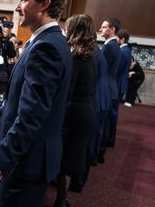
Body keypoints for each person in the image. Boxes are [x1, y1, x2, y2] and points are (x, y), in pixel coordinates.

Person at [0, 0, 72, 207]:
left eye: (23, 0)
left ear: (44, 4)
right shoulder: (50, 41)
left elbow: (32, 115)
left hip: (25, 161)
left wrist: (1, 159)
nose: (17, 7)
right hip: (32, 157)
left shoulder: (46, 47)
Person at [54, 14, 96, 207]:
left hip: (74, 112)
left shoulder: (75, 57)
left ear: (75, 30)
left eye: (68, 28)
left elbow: (66, 91)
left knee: (64, 160)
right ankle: (64, 199)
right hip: (87, 110)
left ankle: (61, 201)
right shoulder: (92, 55)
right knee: (72, 158)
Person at [99, 18, 121, 149]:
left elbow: (102, 70)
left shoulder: (109, 47)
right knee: (107, 121)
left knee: (103, 122)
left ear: (112, 29)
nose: (100, 29)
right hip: (111, 86)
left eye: (104, 27)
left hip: (106, 87)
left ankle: (100, 151)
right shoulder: (115, 45)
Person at [116, 29, 132, 102]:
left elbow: (118, 69)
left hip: (118, 84)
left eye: (117, 38)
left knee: (112, 110)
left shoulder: (122, 51)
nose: (116, 40)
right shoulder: (127, 50)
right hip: (121, 84)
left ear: (122, 39)